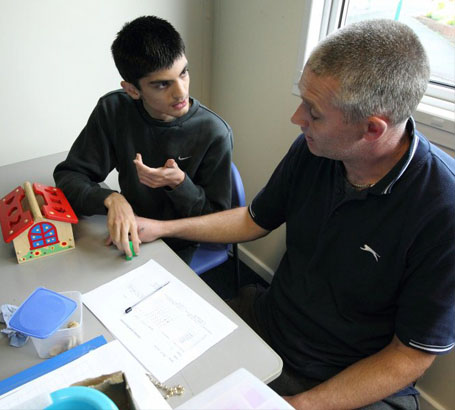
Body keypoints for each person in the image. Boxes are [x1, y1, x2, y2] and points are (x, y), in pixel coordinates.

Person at [131, 19, 455, 409]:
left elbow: (411, 355)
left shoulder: (443, 208)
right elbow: (254, 219)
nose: (297, 118)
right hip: (272, 322)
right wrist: (161, 227)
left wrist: (300, 406)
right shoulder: (316, 149)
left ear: (372, 129)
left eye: (314, 113)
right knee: (146, 375)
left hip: (349, 371)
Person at [53, 15, 232, 262]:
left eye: (184, 73)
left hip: (178, 245)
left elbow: (218, 222)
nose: (181, 92)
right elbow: (69, 176)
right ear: (132, 90)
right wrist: (111, 198)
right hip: (128, 231)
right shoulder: (113, 110)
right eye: (162, 85)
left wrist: (180, 184)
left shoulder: (214, 132)